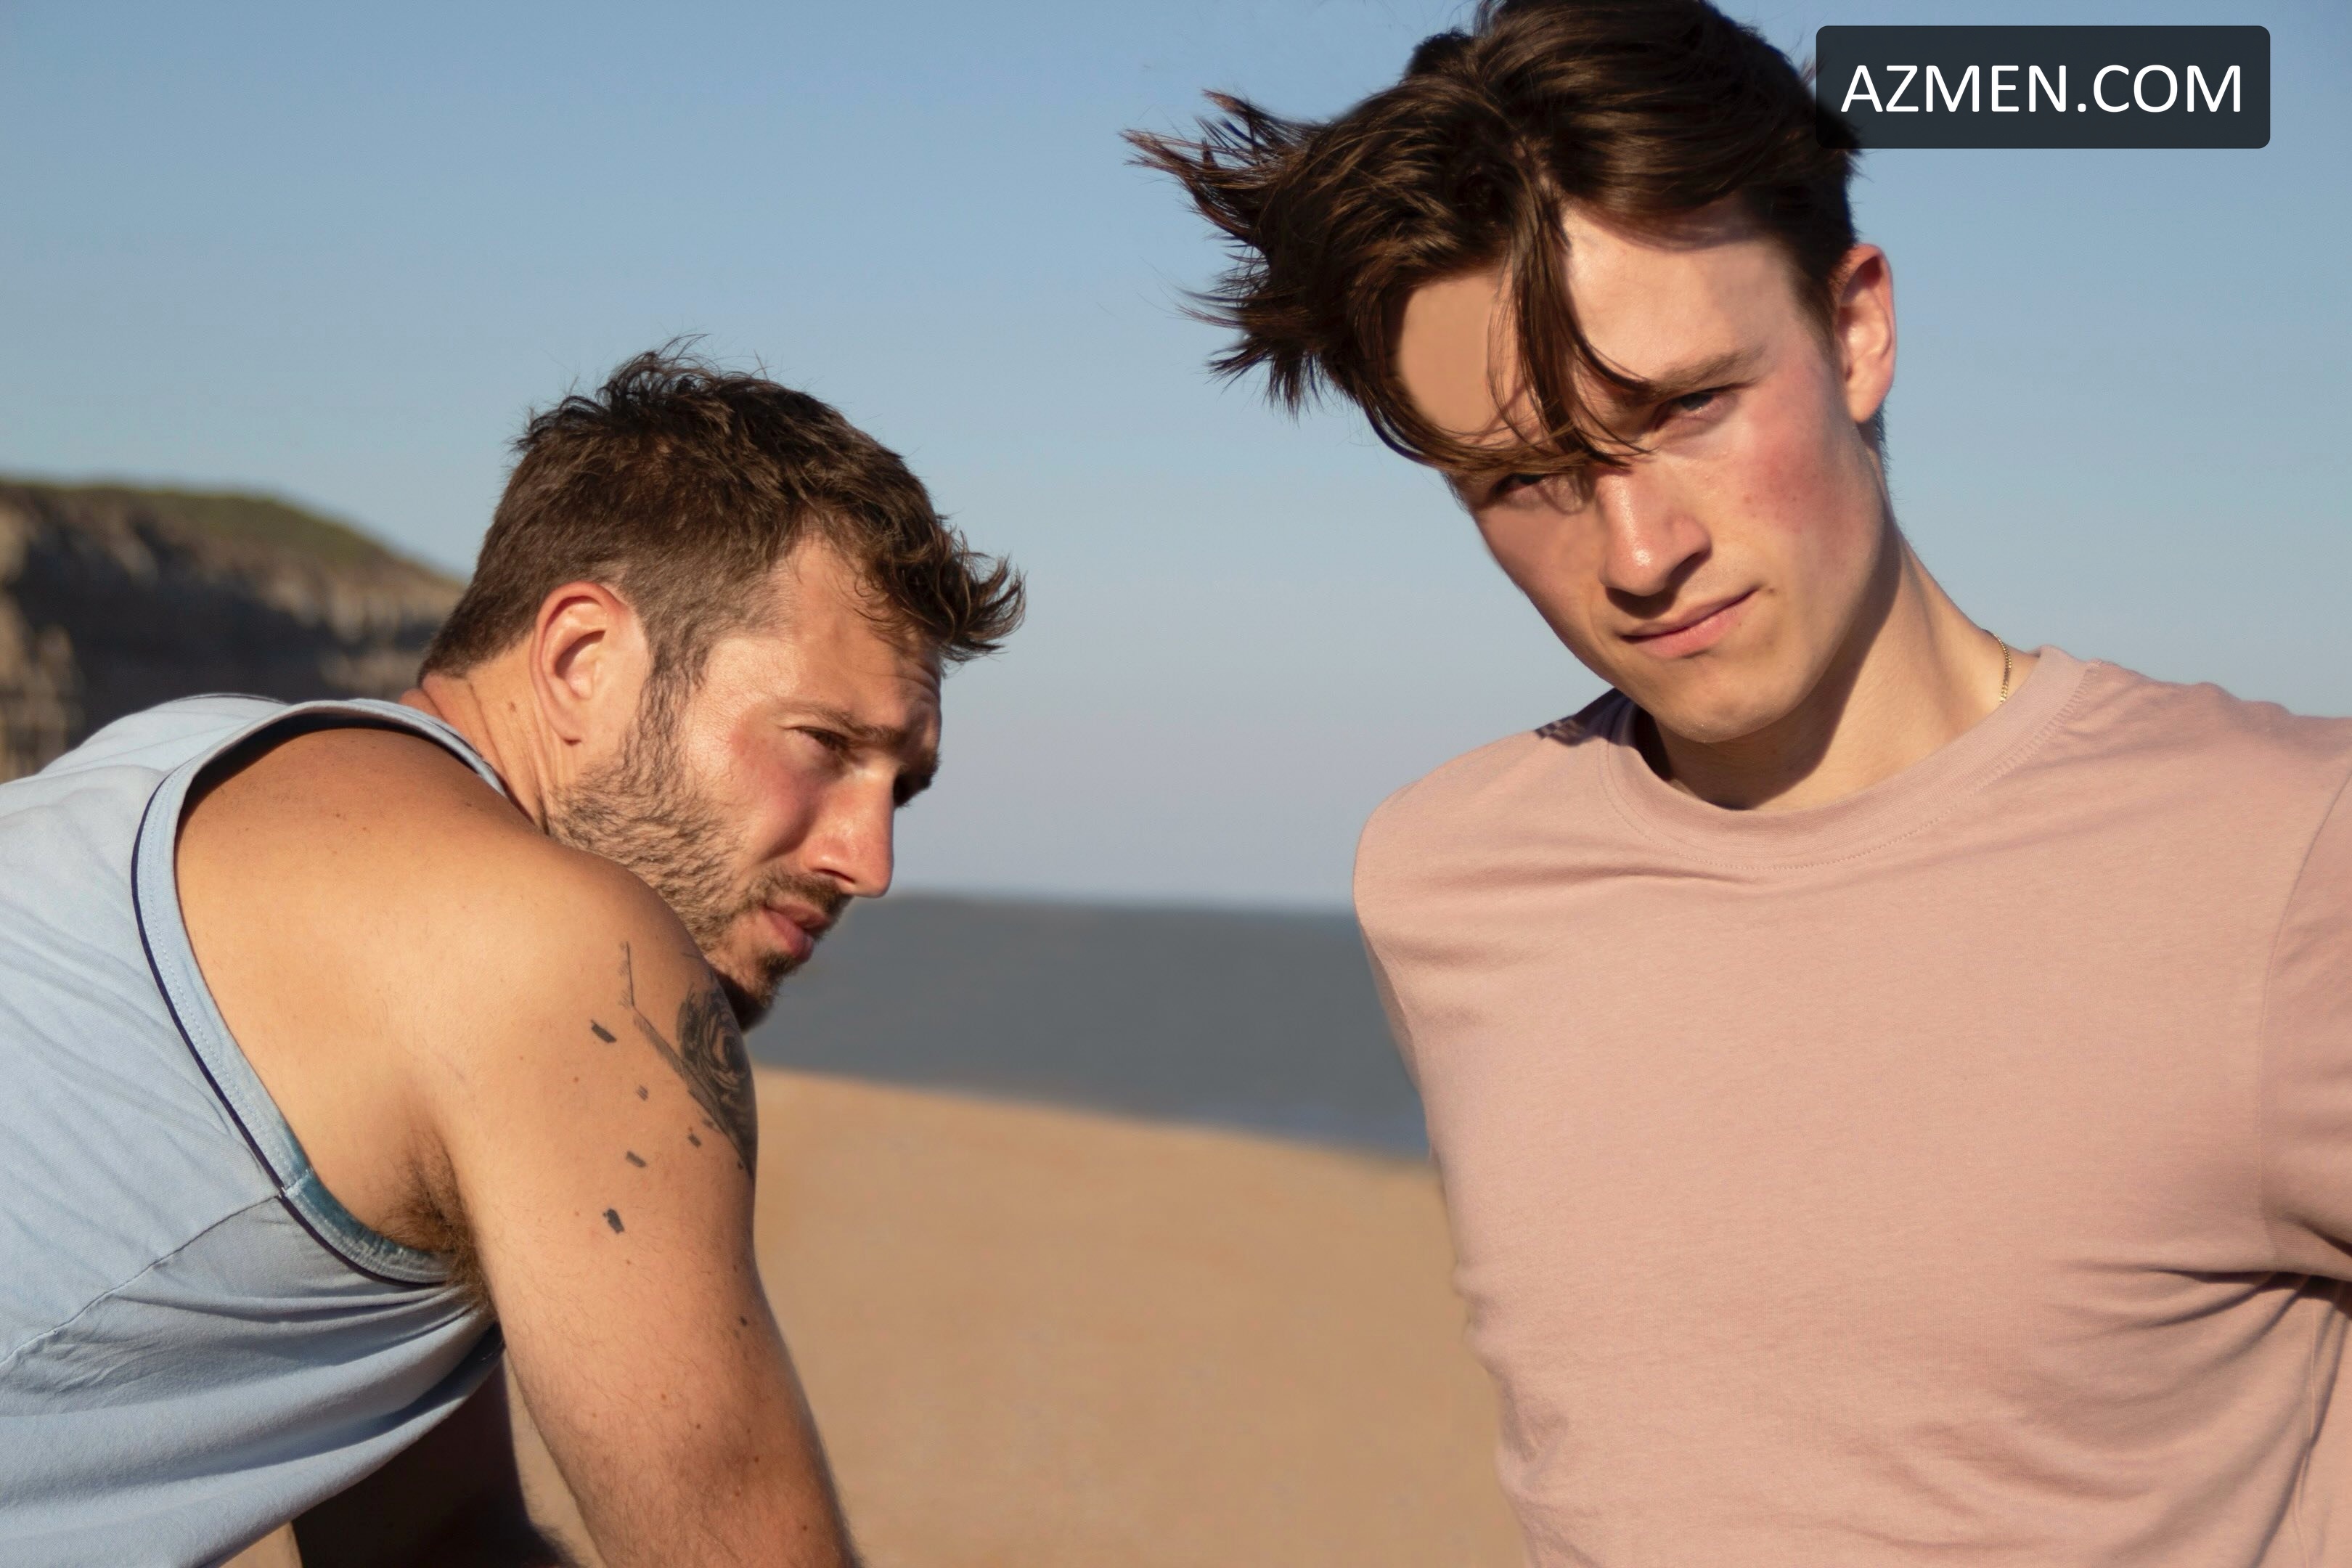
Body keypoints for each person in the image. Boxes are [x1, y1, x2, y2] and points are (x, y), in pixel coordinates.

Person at [1136, 2, 2352, 1562]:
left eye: (1685, 409)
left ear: (1856, 330)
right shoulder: (1445, 879)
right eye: (1522, 478)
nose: (1639, 554)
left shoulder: (2286, 856)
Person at [0, 348, 1022, 1567]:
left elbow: (433, 1537)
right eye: (823, 744)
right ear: (583, 659)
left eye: (900, 787)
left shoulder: (182, 758)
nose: (870, 858)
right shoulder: (556, 952)